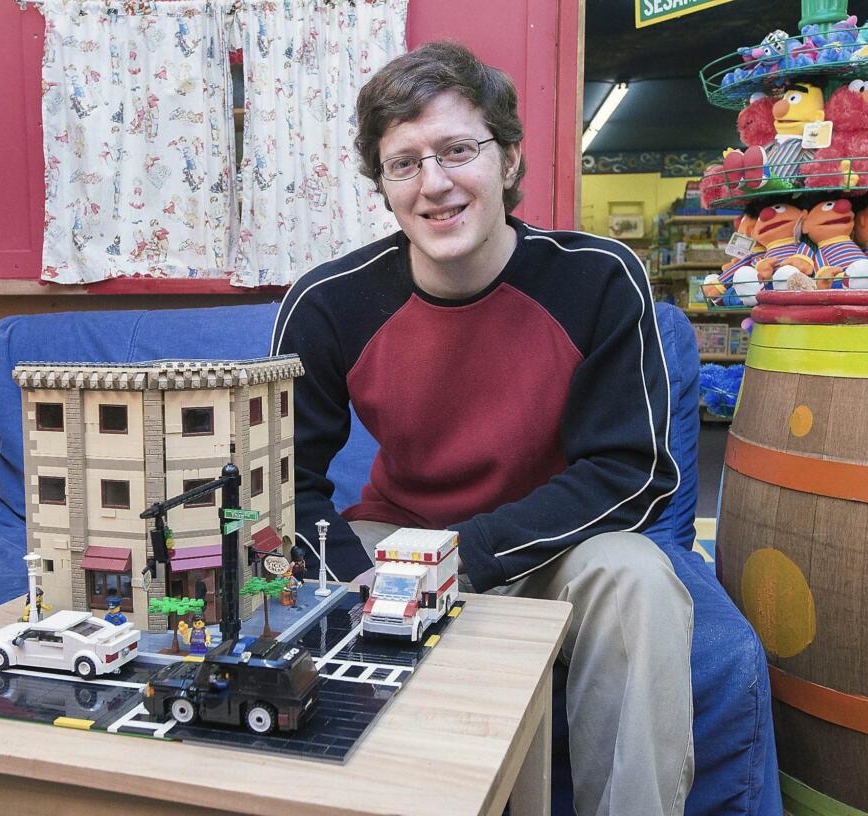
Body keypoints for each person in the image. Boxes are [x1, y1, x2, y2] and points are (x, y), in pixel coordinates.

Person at [271, 41, 693, 816]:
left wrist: (465, 560)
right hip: (391, 546)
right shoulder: (327, 305)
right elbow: (283, 486)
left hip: (550, 551)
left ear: (508, 161)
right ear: (384, 187)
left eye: (458, 150)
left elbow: (632, 473)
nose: (434, 184)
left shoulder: (598, 277)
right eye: (405, 163)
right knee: (285, 589)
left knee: (638, 576)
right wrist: (350, 575)